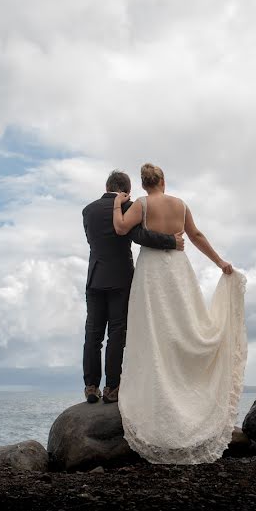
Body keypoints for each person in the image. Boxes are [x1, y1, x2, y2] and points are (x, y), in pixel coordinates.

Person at [111, 163, 247, 464]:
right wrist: (220, 262)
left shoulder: (142, 205)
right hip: (177, 271)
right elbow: (195, 235)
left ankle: (161, 400)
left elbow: (121, 228)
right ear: (162, 180)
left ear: (144, 185)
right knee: (182, 329)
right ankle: (189, 397)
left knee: (154, 334)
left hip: (151, 274)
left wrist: (118, 204)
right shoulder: (180, 204)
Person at [82, 170, 185, 405]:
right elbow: (141, 236)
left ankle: (90, 387)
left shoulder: (88, 210)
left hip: (95, 278)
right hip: (120, 279)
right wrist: (172, 241)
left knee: (93, 334)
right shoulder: (127, 207)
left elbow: (92, 241)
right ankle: (111, 389)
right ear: (126, 191)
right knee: (117, 333)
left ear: (107, 185)